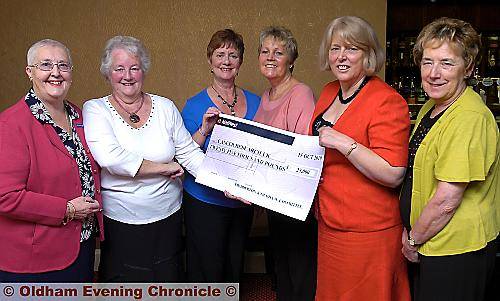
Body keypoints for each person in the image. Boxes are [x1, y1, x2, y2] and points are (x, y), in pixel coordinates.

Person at [82, 36, 204, 282]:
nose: (127, 75)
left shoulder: (165, 107)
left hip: (168, 217)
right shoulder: (95, 109)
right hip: (121, 220)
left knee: (167, 285)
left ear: (143, 71)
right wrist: (165, 168)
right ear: (108, 73)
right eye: (119, 69)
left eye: (134, 68)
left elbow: (189, 152)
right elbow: (111, 158)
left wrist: (227, 184)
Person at [399, 17, 499, 301]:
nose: (433, 73)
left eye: (446, 63)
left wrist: (413, 239)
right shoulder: (431, 107)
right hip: (430, 241)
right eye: (427, 62)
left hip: (457, 249)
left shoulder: (469, 117)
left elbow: (446, 201)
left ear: (467, 67)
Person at [311, 16, 411, 300]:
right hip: (330, 223)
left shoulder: (386, 100)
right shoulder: (329, 91)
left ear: (368, 55)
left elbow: (394, 173)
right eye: (335, 48)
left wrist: (344, 142)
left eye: (352, 49)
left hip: (369, 232)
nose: (341, 57)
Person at [0, 39, 103, 282]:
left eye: (63, 65)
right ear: (30, 72)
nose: (55, 73)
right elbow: (5, 197)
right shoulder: (11, 124)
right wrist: (66, 209)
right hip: (36, 257)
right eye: (45, 65)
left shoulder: (78, 114)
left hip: (81, 246)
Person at [181, 29, 260, 283]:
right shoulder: (193, 105)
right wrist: (204, 130)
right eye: (220, 54)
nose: (226, 61)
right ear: (210, 61)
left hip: (242, 203)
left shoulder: (259, 102)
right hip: (205, 202)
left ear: (240, 62)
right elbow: (184, 155)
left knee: (234, 268)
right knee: (207, 270)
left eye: (233, 55)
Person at [253, 26, 317, 301]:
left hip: (294, 200)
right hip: (273, 200)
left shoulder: (300, 93)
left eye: (278, 52)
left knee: (299, 272)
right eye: (265, 51)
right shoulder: (266, 96)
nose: (270, 57)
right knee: (282, 270)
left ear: (291, 59)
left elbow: (302, 151)